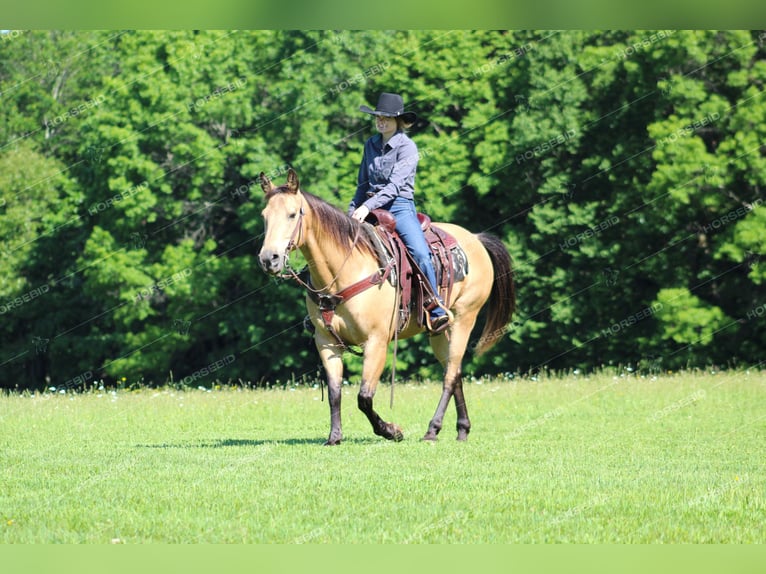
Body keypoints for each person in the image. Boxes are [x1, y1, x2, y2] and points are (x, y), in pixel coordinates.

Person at [348, 92, 451, 334]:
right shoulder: (370, 145)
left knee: (421, 253)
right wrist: (352, 210)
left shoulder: (408, 147)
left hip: (399, 207)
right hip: (371, 206)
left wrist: (366, 207)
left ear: (398, 121)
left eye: (386, 118)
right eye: (377, 117)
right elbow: (362, 184)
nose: (380, 122)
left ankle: (435, 308)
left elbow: (395, 187)